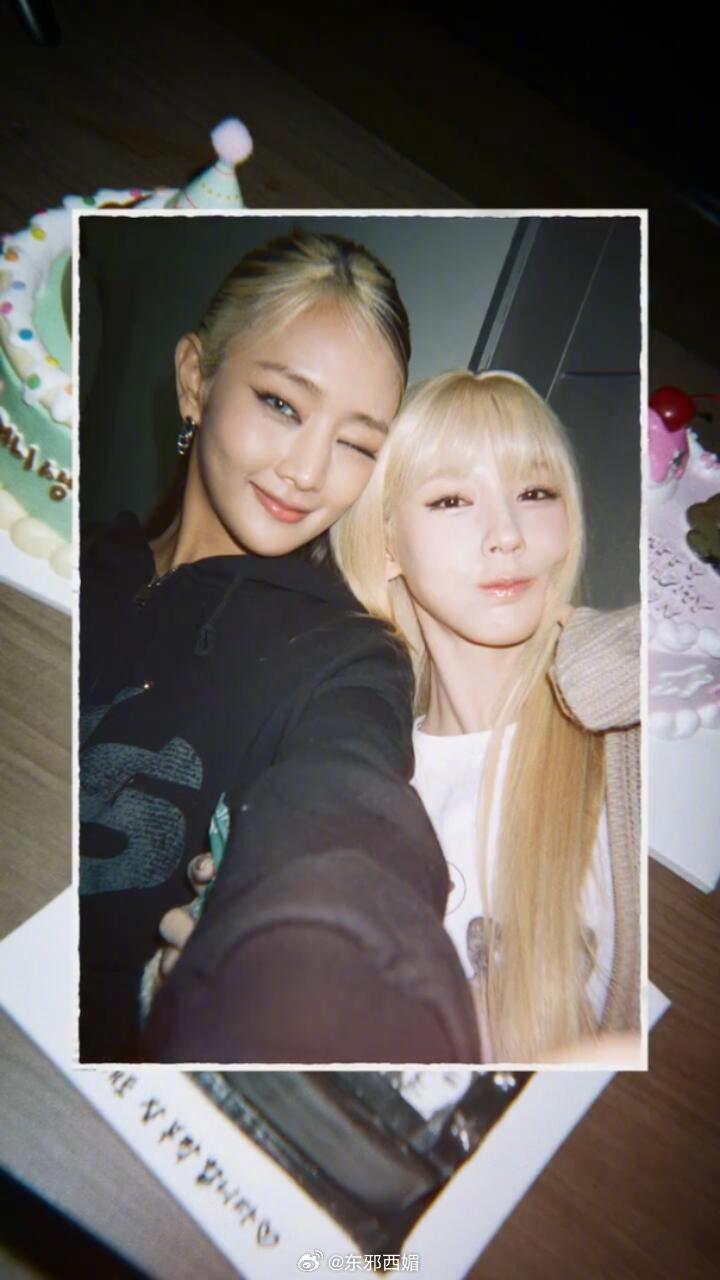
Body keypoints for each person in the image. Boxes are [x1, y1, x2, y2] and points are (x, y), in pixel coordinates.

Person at [80, 228, 479, 1064]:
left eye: (357, 443)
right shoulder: (66, 556)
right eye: (282, 405)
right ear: (196, 379)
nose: (306, 470)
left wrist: (311, 942)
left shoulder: (347, 658)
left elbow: (352, 808)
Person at [331, 370, 641, 1063]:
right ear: (387, 545)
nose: (507, 534)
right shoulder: (359, 788)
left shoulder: (627, 726)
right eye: (452, 500)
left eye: (535, 493)